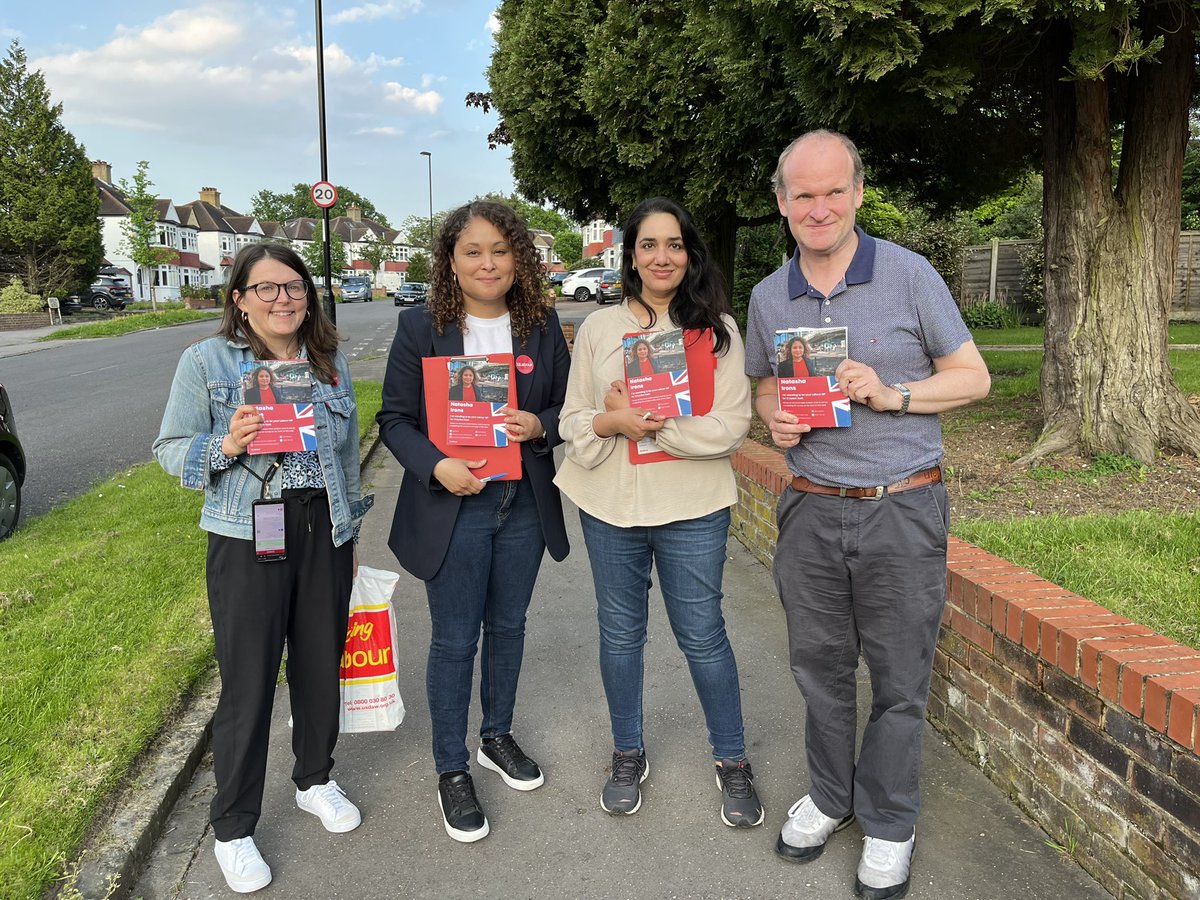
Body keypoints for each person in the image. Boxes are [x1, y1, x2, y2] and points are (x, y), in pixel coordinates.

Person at [744, 130, 990, 899]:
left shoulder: (911, 275)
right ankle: (829, 796)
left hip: (902, 507)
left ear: (857, 193)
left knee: (897, 679)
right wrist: (775, 420)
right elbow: (762, 388)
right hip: (811, 510)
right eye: (802, 194)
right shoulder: (767, 296)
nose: (819, 208)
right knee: (818, 671)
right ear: (782, 203)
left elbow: (974, 378)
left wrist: (894, 393)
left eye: (833, 191)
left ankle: (888, 822)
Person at [153, 242, 373, 894]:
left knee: (317, 666)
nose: (284, 299)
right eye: (268, 289)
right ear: (240, 299)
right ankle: (233, 824)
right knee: (247, 683)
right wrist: (225, 443)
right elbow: (168, 448)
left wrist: (349, 533)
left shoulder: (327, 365)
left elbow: (346, 453)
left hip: (322, 531)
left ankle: (314, 779)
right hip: (249, 532)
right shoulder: (206, 362)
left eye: (295, 287)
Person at [555, 196, 763, 828]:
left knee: (702, 634)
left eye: (675, 244)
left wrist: (654, 428)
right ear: (632, 256)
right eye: (649, 245)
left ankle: (731, 759)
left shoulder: (718, 332)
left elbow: (731, 426)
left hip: (693, 506)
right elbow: (571, 422)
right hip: (611, 507)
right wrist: (610, 419)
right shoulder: (597, 330)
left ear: (691, 254)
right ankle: (627, 751)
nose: (663, 256)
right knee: (620, 634)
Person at [377, 200, 571, 844]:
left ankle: (496, 736)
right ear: (451, 262)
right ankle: (451, 767)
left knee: (509, 627)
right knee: (456, 639)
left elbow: (563, 405)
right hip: (455, 504)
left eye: (501, 250)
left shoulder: (540, 327)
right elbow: (396, 421)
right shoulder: (418, 327)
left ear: (520, 257)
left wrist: (539, 424)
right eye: (472, 251)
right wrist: (437, 467)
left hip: (521, 504)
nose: (488, 263)